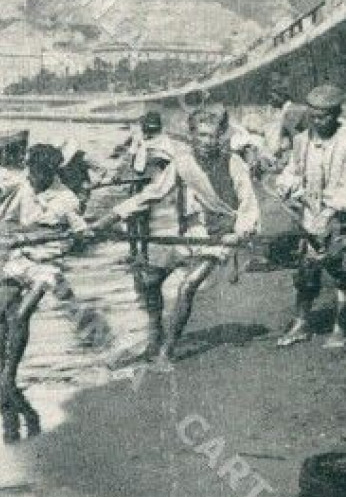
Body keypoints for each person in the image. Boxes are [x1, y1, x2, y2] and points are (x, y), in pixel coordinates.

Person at [92, 106, 259, 362]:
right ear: (191, 136)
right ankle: (155, 334)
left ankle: (166, 351)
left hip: (223, 236)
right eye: (201, 136)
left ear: (220, 137)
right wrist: (106, 220)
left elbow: (248, 206)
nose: (207, 142)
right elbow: (152, 194)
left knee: (187, 286)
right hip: (193, 231)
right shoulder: (182, 162)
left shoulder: (234, 164)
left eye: (213, 136)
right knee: (149, 281)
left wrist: (239, 233)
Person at [0, 143, 89, 440]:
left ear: (50, 172)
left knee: (20, 316)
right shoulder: (23, 188)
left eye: (37, 172)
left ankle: (10, 373)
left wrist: (72, 238)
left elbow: (80, 234)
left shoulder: (66, 199)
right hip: (21, 259)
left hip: (48, 263)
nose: (32, 176)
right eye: (29, 170)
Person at [274, 84, 346, 349]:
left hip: (345, 217)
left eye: (325, 116)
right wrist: (285, 185)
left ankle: (341, 325)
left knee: (344, 270)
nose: (319, 121)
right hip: (312, 214)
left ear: (337, 113)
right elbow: (294, 171)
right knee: (307, 269)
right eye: (314, 116)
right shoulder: (302, 140)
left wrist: (330, 213)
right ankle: (301, 323)